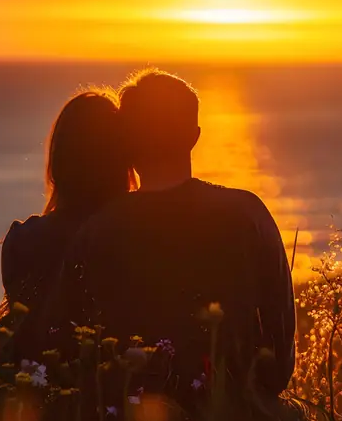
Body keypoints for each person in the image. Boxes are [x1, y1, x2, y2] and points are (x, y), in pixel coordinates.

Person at [70, 69, 296, 394]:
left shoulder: (97, 230)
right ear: (194, 135)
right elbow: (280, 339)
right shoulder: (248, 214)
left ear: (128, 142)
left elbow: (76, 342)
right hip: (240, 417)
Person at [0, 89, 133, 360]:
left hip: (33, 391)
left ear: (58, 159)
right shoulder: (134, 236)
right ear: (122, 162)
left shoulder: (22, 240)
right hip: (115, 391)